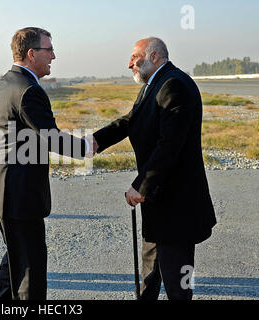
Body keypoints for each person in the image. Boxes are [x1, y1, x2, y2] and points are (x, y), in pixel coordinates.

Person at [92, 37, 217, 300]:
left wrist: (141, 185)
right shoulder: (154, 84)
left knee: (177, 284)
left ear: (155, 56)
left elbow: (169, 145)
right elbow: (131, 120)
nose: (129, 64)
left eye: (135, 57)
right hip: (158, 203)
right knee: (150, 275)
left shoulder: (174, 85)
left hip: (176, 206)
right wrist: (95, 141)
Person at [0, 27, 92, 300]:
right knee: (30, 270)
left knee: (16, 260)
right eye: (49, 50)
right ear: (32, 54)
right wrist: (87, 146)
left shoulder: (8, 81)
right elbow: (51, 137)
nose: (54, 56)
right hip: (19, 195)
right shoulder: (27, 89)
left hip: (5, 189)